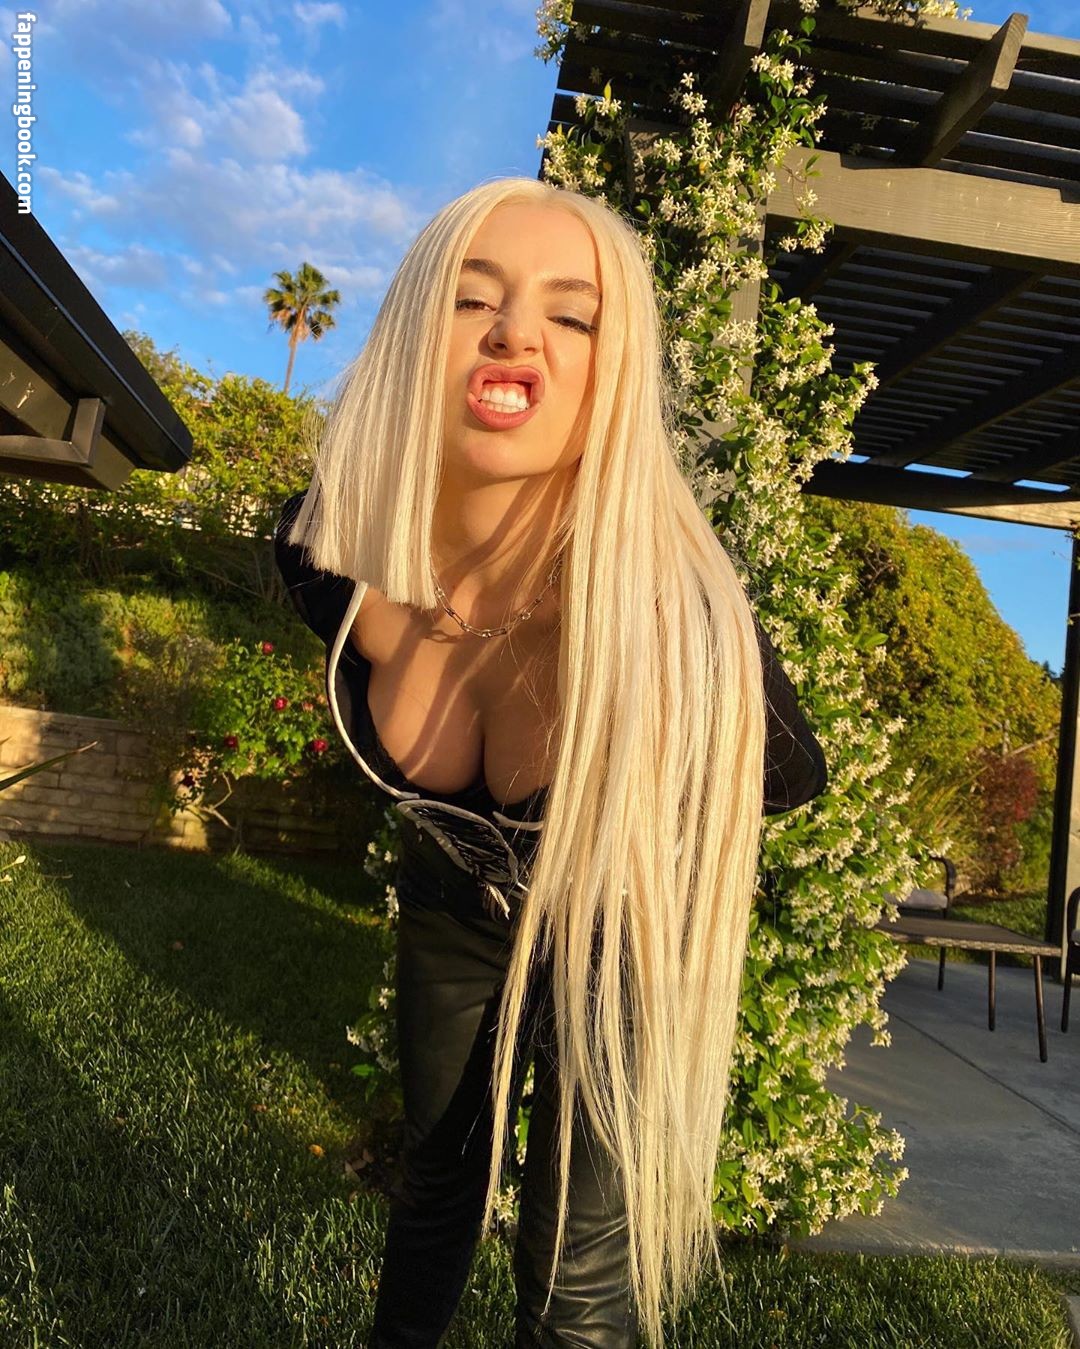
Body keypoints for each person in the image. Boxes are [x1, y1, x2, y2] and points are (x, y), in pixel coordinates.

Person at [274, 177, 828, 1349]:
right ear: (413, 334)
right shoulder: (331, 544)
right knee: (433, 1186)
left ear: (609, 370)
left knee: (575, 1279)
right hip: (450, 898)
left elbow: (786, 776)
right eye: (472, 296)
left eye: (572, 315)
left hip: (618, 925)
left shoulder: (676, 624)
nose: (514, 331)